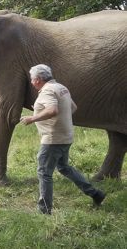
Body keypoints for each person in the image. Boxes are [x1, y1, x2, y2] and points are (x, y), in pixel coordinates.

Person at [20, 64, 105, 214]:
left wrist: (33, 118)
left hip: (53, 139)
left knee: (44, 172)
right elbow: (73, 108)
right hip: (66, 136)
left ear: (39, 79)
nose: (32, 82)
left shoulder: (47, 91)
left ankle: (44, 210)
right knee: (64, 167)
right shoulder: (61, 87)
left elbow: (52, 110)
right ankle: (95, 194)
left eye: (32, 79)